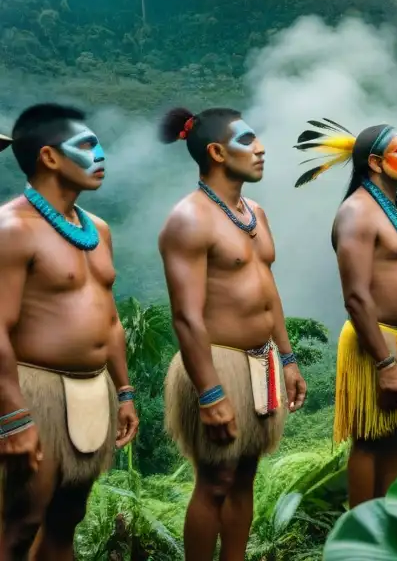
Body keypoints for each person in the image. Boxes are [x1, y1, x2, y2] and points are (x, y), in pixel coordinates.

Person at [157, 106, 306, 561]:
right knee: (215, 480)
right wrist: (209, 393)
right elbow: (186, 316)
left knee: (245, 475)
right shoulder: (189, 219)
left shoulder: (254, 212)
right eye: (248, 141)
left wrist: (287, 357)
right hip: (216, 362)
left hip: (261, 361)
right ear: (217, 152)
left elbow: (267, 288)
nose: (260, 149)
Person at [0, 103, 137, 560]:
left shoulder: (97, 229)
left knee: (66, 518)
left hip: (92, 390)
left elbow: (110, 318)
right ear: (49, 158)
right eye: (86, 145)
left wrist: (124, 390)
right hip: (32, 390)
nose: (101, 155)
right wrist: (14, 416)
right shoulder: (12, 228)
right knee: (21, 520)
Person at [293, 118, 397, 507]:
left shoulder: (394, 207)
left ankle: (386, 528)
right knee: (369, 440)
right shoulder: (357, 212)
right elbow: (357, 297)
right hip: (377, 342)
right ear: (376, 163)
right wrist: (384, 363)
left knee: (395, 438)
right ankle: (361, 535)